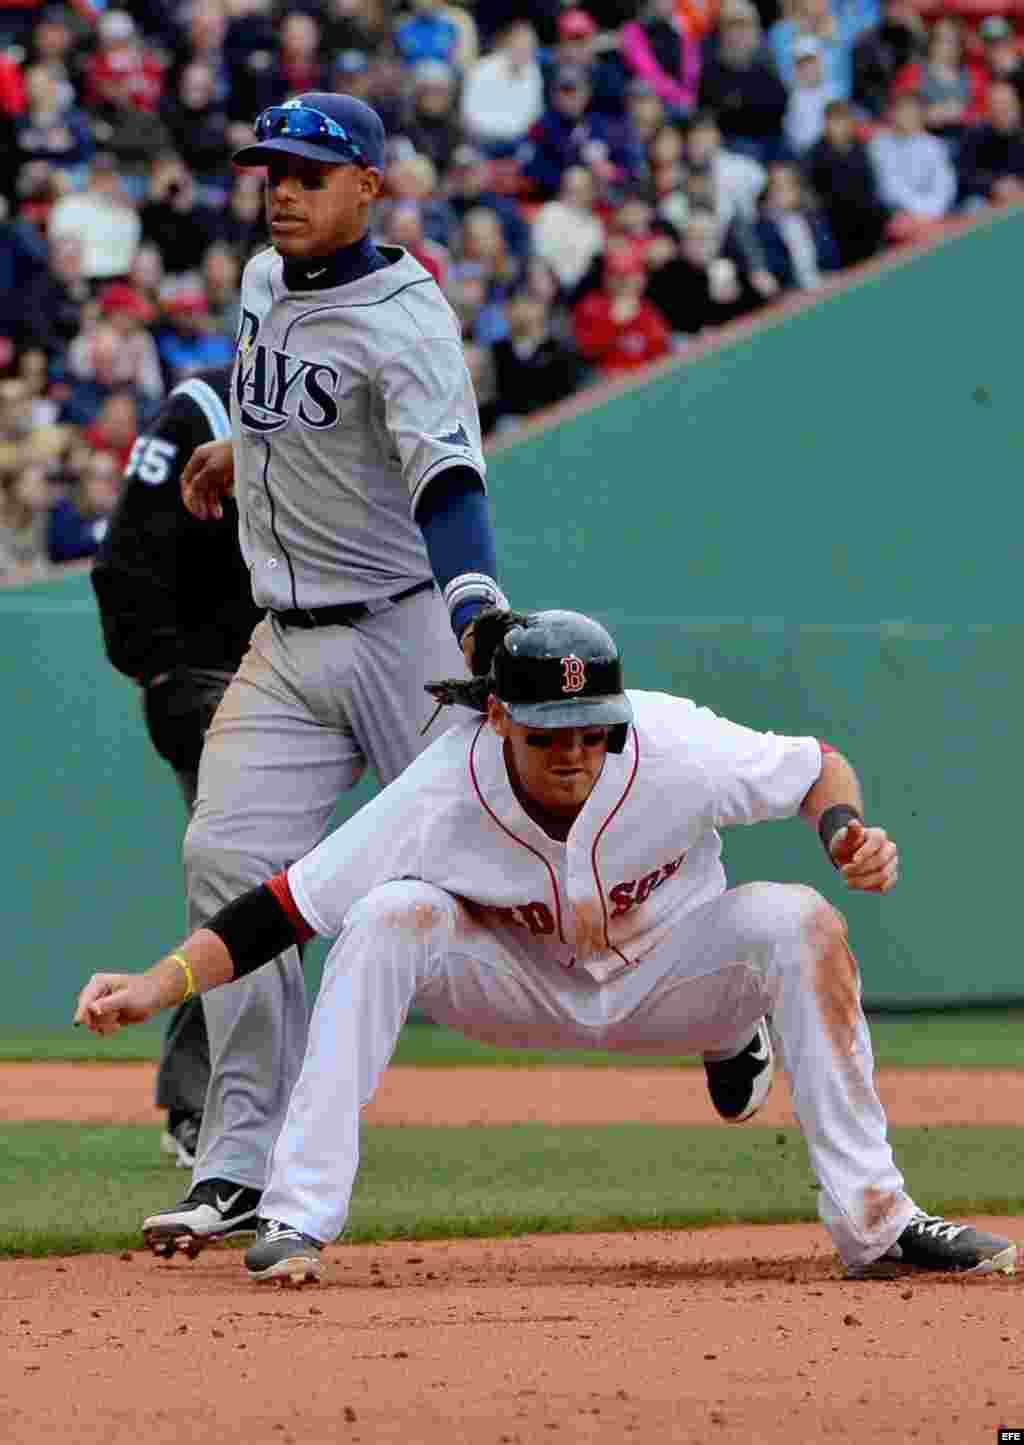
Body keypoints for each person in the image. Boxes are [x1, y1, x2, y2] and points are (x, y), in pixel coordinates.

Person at [75, 608, 1019, 1285]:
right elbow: (286, 907)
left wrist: (845, 830)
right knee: (389, 911)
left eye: (592, 729)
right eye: (548, 732)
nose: (573, 750)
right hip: (516, 983)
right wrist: (160, 984)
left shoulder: (676, 746)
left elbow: (819, 768)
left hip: (680, 977)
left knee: (800, 918)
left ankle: (879, 1220)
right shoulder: (446, 785)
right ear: (497, 719)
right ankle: (297, 1215)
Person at [130, 92, 505, 1257]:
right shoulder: (261, 279)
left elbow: (446, 478)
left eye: (308, 172)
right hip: (287, 642)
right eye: (272, 171)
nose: (283, 191)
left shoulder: (407, 319)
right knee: (224, 856)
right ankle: (241, 1161)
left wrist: (475, 606)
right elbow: (301, 410)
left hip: (405, 633)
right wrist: (238, 449)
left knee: (503, 868)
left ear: (368, 187)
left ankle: (712, 1006)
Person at [91, 366, 263, 1169]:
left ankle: (230, 1100)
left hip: (284, 670)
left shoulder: (335, 402)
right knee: (249, 882)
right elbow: (120, 557)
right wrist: (161, 665)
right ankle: (204, 1103)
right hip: (206, 677)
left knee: (271, 886)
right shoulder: (203, 405)